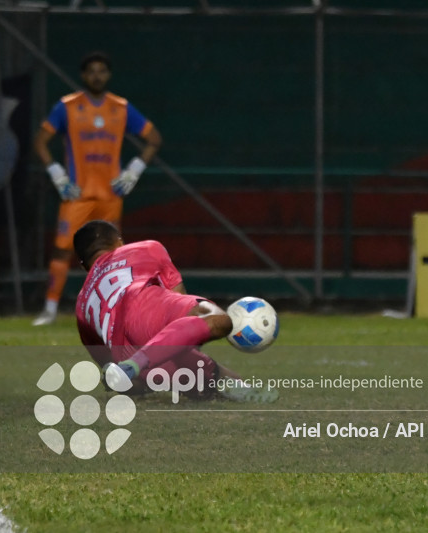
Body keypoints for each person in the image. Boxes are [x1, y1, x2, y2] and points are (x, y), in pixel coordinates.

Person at [74, 220, 278, 403]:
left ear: (84, 266)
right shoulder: (144, 248)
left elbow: (117, 376)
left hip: (123, 351)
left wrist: (142, 378)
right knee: (216, 319)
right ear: (119, 242)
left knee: (212, 383)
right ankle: (136, 365)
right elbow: (179, 304)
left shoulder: (81, 305)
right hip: (141, 306)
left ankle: (137, 366)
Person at [32, 51, 163, 326]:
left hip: (110, 196)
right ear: (83, 75)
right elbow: (40, 140)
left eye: (101, 71)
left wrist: (134, 170)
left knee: (113, 257)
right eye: (91, 71)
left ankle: (115, 311)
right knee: (62, 250)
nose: (96, 76)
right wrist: (57, 174)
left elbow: (154, 139)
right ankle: (50, 309)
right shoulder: (67, 107)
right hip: (77, 195)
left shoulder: (121, 108)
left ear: (109, 74)